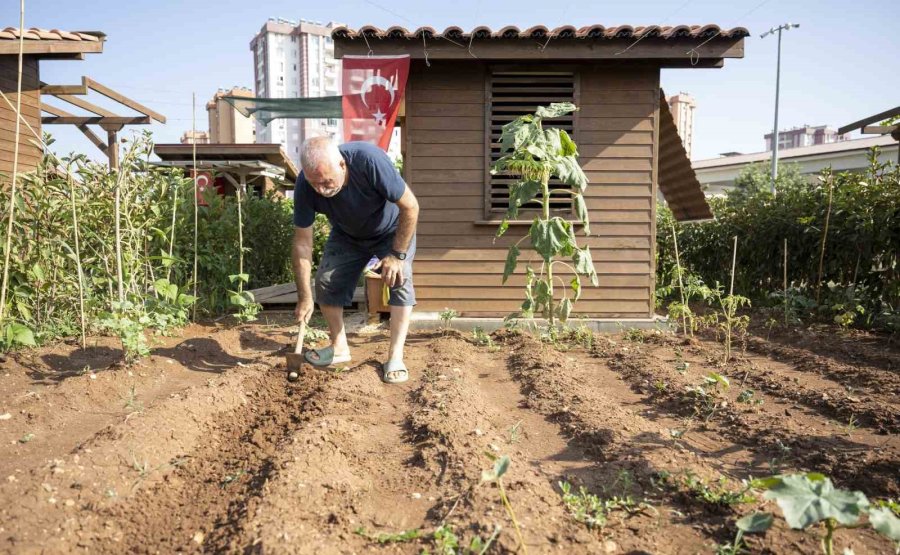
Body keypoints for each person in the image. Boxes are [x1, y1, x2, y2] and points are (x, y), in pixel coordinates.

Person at [291, 136, 419, 384]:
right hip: (347, 234)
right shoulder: (305, 185)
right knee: (326, 281)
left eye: (326, 182)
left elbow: (411, 207)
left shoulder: (369, 161)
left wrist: (397, 256)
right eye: (315, 184)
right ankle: (339, 347)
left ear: (342, 165)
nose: (321, 190)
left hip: (391, 230)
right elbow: (302, 243)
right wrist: (304, 296)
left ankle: (395, 356)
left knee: (399, 279)